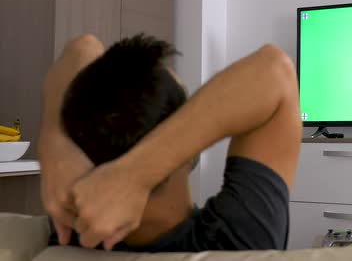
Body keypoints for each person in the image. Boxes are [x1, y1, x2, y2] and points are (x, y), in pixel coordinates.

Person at [37, 34, 302, 252]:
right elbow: (275, 70)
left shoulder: (68, 229)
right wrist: (134, 175)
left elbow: (84, 45)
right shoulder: (239, 243)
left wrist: (55, 141)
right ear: (185, 149)